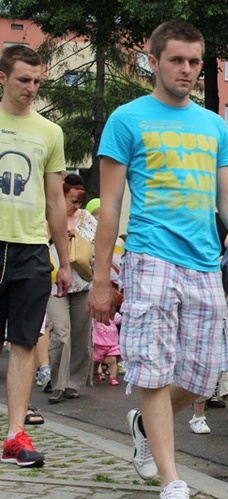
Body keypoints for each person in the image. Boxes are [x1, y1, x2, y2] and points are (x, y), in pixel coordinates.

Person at [85, 20, 228, 498]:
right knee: (152, 368)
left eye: (195, 61)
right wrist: (99, 278)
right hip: (150, 257)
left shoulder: (213, 125)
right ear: (153, 62)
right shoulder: (127, 120)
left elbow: (227, 200)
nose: (187, 69)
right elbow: (109, 205)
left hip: (202, 264)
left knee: (198, 375)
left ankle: (144, 428)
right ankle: (172, 480)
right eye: (177, 60)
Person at [0, 44, 71, 468]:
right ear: (3, 78)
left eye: (37, 81)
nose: (31, 88)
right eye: (24, 80)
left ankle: (14, 435)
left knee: (25, 341)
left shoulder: (50, 132)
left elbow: (56, 201)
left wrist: (64, 261)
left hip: (31, 248)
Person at [47, 173, 97, 404]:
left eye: (79, 201)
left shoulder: (87, 218)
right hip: (54, 282)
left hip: (83, 282)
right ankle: (57, 382)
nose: (76, 206)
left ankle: (73, 383)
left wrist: (78, 236)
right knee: (61, 333)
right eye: (72, 201)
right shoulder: (50, 215)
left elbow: (97, 244)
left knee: (80, 336)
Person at [92, 311, 121, 385]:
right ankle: (95, 372)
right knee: (96, 361)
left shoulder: (112, 314)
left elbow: (120, 320)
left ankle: (113, 378)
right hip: (98, 343)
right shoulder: (95, 314)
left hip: (112, 342)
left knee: (113, 360)